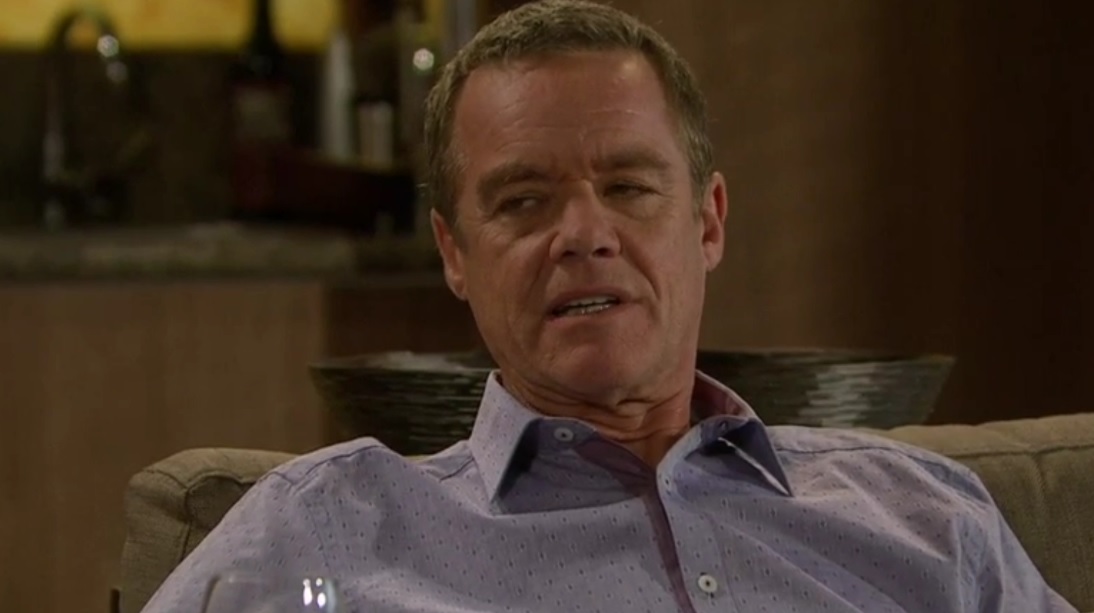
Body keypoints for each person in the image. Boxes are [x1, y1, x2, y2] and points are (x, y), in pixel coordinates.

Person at [143, 1, 1077, 611]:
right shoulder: (323, 535)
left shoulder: (926, 518)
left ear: (708, 222)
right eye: (523, 200)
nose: (584, 233)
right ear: (454, 253)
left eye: (629, 187)